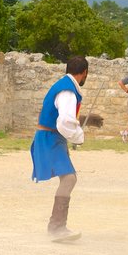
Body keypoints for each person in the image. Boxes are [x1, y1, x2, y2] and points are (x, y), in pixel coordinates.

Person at [30, 56, 88, 243]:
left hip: (51, 137)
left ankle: (57, 226)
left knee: (69, 178)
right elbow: (64, 120)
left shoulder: (64, 85)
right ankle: (56, 227)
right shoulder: (68, 91)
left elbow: (64, 117)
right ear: (84, 72)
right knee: (69, 178)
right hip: (50, 138)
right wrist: (77, 136)